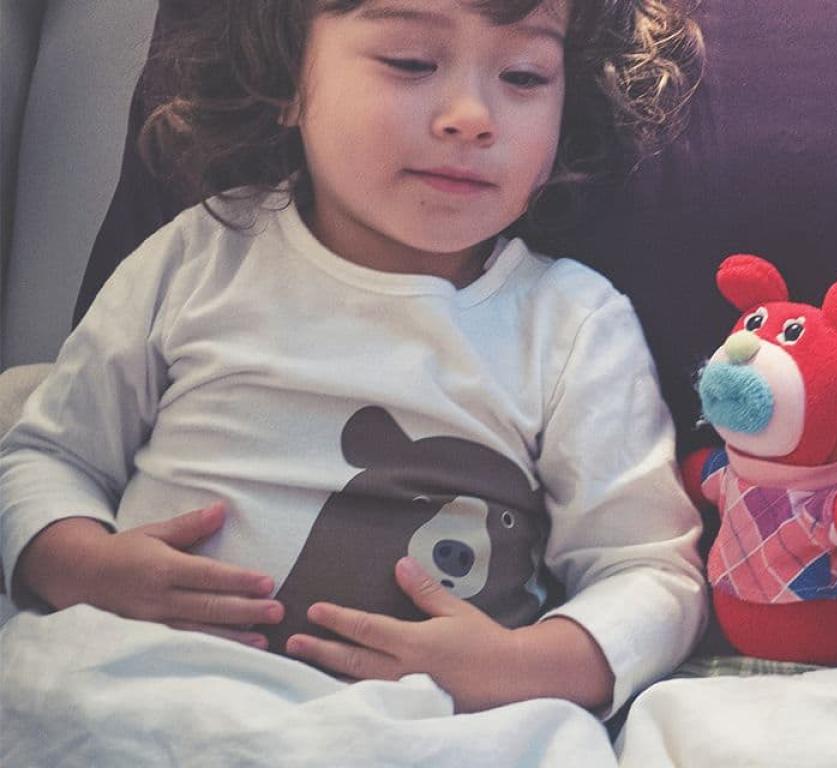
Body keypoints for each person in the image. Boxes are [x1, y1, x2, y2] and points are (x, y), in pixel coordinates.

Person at [0, 0, 704, 716]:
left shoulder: (571, 323)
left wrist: (535, 665)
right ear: (285, 84)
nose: (472, 115)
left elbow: (647, 569)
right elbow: (46, 456)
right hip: (137, 695)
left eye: (524, 76)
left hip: (425, 734)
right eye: (410, 62)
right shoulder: (198, 258)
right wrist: (78, 563)